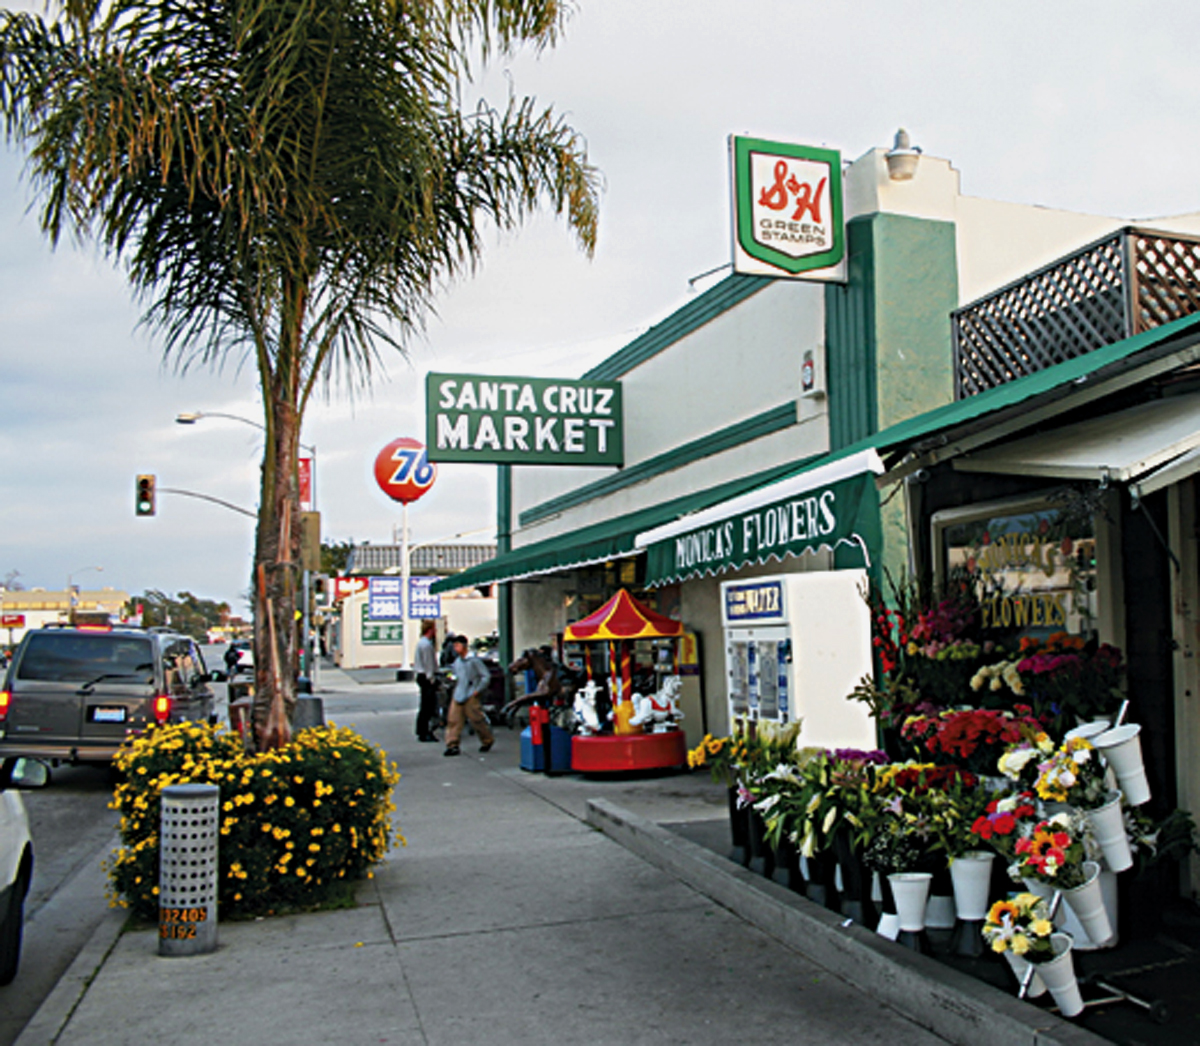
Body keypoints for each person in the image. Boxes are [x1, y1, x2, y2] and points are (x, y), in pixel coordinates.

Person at [443, 634, 494, 757]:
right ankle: (452, 744)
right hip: (459, 693)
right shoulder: (457, 662)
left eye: (457, 645)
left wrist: (478, 690)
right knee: (453, 720)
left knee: (476, 719)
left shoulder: (474, 661)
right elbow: (455, 674)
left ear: (464, 646)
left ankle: (487, 740)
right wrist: (451, 678)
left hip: (471, 694)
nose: (455, 648)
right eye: (454, 646)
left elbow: (485, 676)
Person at [414, 619, 440, 743]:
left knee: (424, 705)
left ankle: (421, 729)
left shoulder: (421, 643)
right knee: (428, 706)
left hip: (420, 675)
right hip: (426, 676)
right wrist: (432, 679)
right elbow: (429, 664)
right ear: (430, 630)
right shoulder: (427, 646)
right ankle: (425, 731)